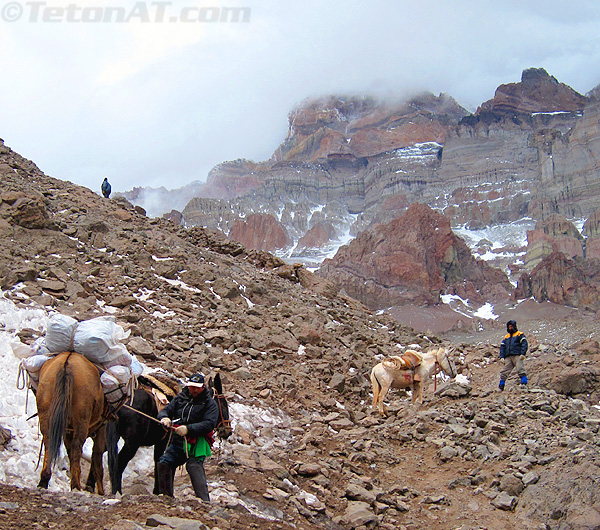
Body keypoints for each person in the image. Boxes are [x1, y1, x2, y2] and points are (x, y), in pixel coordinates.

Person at [156, 373, 218, 500]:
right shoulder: (180, 398)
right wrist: (164, 417)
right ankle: (166, 498)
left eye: (197, 387)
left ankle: (204, 501)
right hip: (178, 440)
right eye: (191, 387)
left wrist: (188, 429)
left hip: (197, 441)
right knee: (164, 462)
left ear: (202, 387)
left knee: (193, 466)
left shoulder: (210, 403)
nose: (194, 390)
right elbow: (166, 410)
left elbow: (209, 424)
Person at [498, 320, 528, 390]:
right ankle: (501, 386)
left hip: (517, 355)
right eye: (509, 327)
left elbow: (524, 344)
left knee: (520, 368)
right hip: (508, 356)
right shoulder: (506, 337)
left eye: (511, 326)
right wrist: (502, 357)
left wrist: (523, 354)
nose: (510, 328)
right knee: (504, 371)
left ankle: (524, 383)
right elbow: (502, 347)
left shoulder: (519, 334)